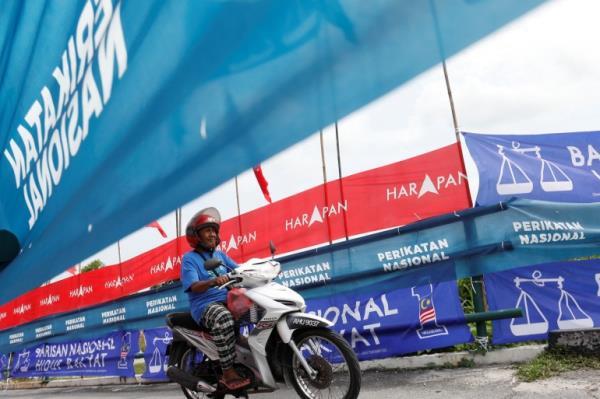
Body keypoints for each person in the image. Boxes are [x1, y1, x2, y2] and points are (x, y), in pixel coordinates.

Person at [180, 207, 250, 390]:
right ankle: (227, 372)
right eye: (207, 230)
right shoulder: (189, 259)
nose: (212, 234)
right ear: (197, 236)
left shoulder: (220, 256)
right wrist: (212, 281)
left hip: (228, 300)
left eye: (214, 230)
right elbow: (193, 286)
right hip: (205, 305)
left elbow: (239, 270)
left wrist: (257, 270)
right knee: (223, 317)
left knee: (259, 309)